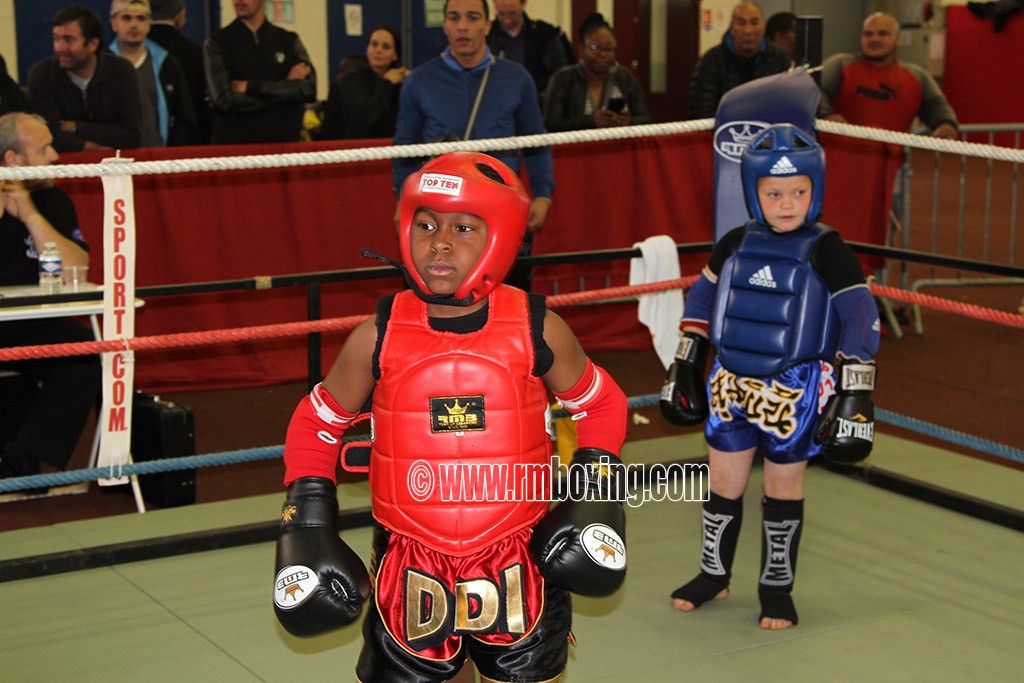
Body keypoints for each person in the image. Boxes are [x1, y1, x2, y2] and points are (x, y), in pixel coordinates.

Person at [272, 151, 628, 682]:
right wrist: (308, 525)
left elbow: (600, 403)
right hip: (410, 557)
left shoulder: (537, 328)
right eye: (426, 224)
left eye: (463, 226)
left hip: (518, 552)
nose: (439, 241)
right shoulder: (378, 335)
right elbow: (316, 421)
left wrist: (595, 496)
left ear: (501, 237)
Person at [659, 124, 880, 630]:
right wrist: (688, 358)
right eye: (774, 192)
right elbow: (702, 297)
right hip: (731, 381)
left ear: (816, 190)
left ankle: (776, 589)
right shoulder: (736, 241)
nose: (787, 203)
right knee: (722, 483)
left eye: (798, 191)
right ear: (754, 193)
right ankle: (713, 575)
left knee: (783, 486)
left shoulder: (828, 248)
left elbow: (860, 316)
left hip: (794, 386)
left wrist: (855, 388)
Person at [392, 0, 555, 291]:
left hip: (500, 207)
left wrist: (543, 194)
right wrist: (403, 198)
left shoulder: (517, 78)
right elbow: (404, 147)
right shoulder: (419, 81)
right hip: (438, 208)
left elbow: (536, 140)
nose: (463, 26)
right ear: (445, 25)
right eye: (454, 18)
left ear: (487, 25)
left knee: (510, 298)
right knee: (433, 296)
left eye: (472, 17)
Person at [0, 112, 101, 486]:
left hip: (29, 321)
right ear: (12, 160)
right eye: (43, 149)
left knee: (83, 349)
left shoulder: (53, 198)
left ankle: (26, 460)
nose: (56, 155)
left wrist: (29, 214)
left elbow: (78, 269)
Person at [819, 12, 959, 139]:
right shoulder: (840, 65)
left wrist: (946, 124)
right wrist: (827, 116)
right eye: (868, 34)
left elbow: (937, 107)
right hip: (837, 162)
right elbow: (812, 92)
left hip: (892, 164)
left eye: (882, 33)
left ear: (897, 38)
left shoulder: (917, 76)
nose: (874, 39)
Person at [27, 3, 142, 152]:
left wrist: (75, 127)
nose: (59, 47)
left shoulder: (122, 71)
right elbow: (49, 137)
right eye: (56, 39)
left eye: (68, 40)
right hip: (62, 170)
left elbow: (131, 137)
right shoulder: (42, 74)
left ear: (93, 44)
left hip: (117, 171)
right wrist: (91, 148)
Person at [203, 0, 316, 144]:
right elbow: (223, 99)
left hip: (283, 150)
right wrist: (284, 95)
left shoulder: (288, 41)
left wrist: (249, 87)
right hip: (235, 151)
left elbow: (308, 90)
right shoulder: (217, 43)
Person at [108, 0, 200, 147]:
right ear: (113, 23)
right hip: (114, 161)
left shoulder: (167, 64)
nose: (134, 24)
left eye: (141, 18)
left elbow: (184, 117)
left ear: (149, 24)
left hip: (159, 159)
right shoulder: (102, 66)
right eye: (126, 18)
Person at [543, 12, 652, 132]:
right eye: (595, 47)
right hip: (577, 148)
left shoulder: (624, 77)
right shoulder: (564, 78)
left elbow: (646, 119)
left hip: (619, 147)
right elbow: (551, 123)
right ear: (581, 49)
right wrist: (591, 122)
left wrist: (630, 122)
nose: (602, 54)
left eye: (608, 49)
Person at [688, 1, 792, 119]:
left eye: (754, 22)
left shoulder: (780, 58)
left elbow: (789, 105)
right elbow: (701, 111)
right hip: (724, 133)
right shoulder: (712, 60)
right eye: (741, 23)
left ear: (763, 27)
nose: (748, 31)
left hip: (770, 133)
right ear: (732, 27)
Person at [318, 26, 408, 140]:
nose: (378, 50)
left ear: (395, 55)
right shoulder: (351, 80)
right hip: (354, 149)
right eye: (374, 44)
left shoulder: (399, 81)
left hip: (391, 147)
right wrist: (386, 83)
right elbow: (365, 117)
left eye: (386, 47)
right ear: (367, 49)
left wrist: (414, 81)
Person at [487, 0, 574, 105]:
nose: (506, 21)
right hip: (495, 105)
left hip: (535, 105)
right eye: (501, 14)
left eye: (512, 14)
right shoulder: (486, 37)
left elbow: (561, 76)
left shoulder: (544, 35)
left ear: (524, 4)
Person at [148, 0, 212, 144]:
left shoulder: (133, 52)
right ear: (180, 14)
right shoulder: (194, 53)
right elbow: (204, 108)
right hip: (186, 144)